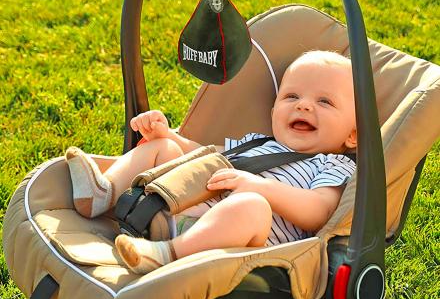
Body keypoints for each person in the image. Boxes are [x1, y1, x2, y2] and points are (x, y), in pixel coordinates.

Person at [65, 50, 357, 274]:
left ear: (353, 135)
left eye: (325, 102)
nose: (303, 105)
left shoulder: (333, 164)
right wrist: (170, 137)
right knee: (163, 147)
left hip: (242, 241)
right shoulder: (257, 142)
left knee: (251, 206)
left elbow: (320, 211)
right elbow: (205, 156)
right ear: (273, 110)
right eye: (291, 96)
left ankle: (166, 254)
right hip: (177, 206)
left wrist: (259, 188)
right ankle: (102, 193)